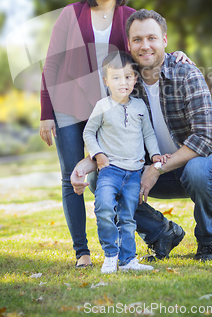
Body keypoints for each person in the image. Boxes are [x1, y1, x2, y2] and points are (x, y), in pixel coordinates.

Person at [39, 0, 189, 268]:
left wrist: (176, 55)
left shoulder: (129, 15)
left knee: (114, 174)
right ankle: (82, 251)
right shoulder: (71, 14)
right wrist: (46, 113)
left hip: (111, 110)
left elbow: (148, 46)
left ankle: (155, 232)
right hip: (69, 106)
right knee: (72, 177)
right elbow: (50, 65)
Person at [71, 9, 212, 262]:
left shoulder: (187, 74)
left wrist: (157, 168)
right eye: (137, 40)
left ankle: (207, 243)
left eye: (152, 38)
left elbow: (206, 138)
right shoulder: (126, 84)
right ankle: (161, 233)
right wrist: (85, 165)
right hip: (154, 173)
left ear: (165, 40)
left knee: (198, 169)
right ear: (129, 44)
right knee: (99, 180)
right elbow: (109, 141)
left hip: (202, 168)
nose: (145, 45)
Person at [84, 51, 170, 273]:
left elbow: (149, 134)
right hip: (110, 171)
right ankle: (111, 255)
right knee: (103, 208)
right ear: (106, 81)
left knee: (128, 217)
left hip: (134, 173)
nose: (123, 82)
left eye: (128, 77)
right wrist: (98, 154)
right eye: (116, 78)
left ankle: (128, 260)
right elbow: (88, 134)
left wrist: (155, 155)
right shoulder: (102, 106)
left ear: (135, 79)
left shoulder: (140, 106)